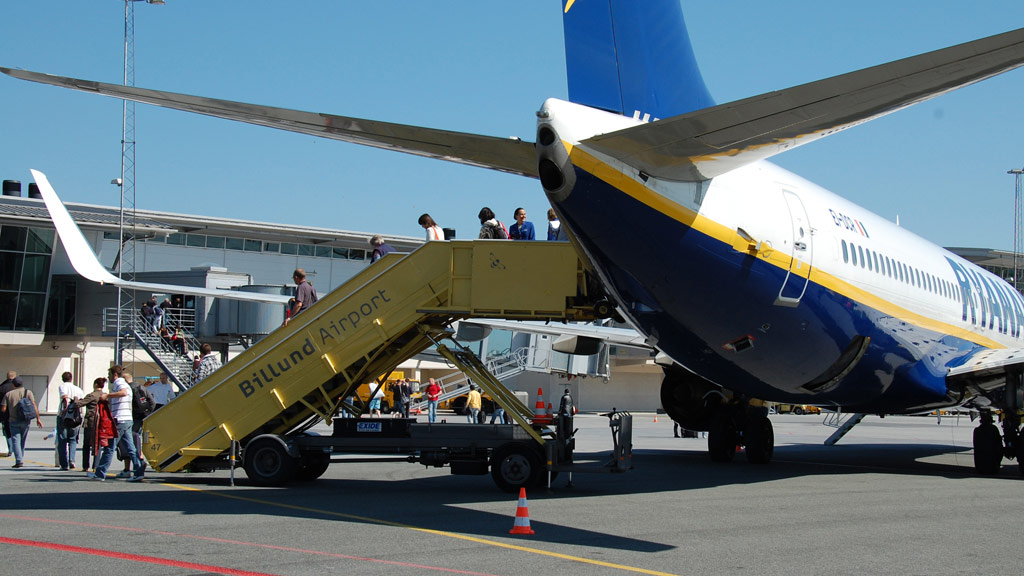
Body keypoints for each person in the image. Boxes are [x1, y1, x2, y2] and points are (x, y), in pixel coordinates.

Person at [90, 365, 144, 481]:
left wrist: (108, 395)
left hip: (119, 420)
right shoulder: (125, 384)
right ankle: (138, 471)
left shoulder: (119, 383)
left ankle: (100, 473)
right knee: (130, 447)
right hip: (127, 419)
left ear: (115, 375)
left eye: (110, 375)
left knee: (109, 447)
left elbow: (123, 393)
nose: (108, 377)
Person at [1, 376, 42, 468]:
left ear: (13, 384)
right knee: (22, 441)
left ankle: (19, 460)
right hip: (25, 419)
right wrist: (38, 419)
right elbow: (34, 405)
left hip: (13, 420)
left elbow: (3, 409)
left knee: (15, 440)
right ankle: (20, 458)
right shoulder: (28, 392)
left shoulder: (9, 394)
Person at [121, 372, 154, 478]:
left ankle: (130, 467)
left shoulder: (126, 389)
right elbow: (152, 402)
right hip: (141, 418)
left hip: (130, 418)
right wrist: (147, 414)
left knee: (128, 443)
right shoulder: (141, 387)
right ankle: (139, 460)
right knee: (137, 441)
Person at [75, 377, 106, 471]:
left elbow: (79, 404)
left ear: (96, 385)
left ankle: (85, 466)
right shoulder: (105, 395)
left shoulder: (92, 395)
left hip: (91, 421)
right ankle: (96, 465)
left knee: (87, 444)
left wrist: (76, 399)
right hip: (101, 422)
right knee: (98, 444)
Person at [56, 371, 85, 471]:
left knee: (62, 439)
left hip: (64, 416)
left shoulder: (62, 386)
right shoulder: (78, 389)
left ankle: (64, 464)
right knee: (73, 439)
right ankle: (72, 460)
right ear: (71, 378)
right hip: (76, 416)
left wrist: (64, 410)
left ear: (63, 378)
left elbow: (64, 397)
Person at [0, 370, 16, 457]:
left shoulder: (2, 387)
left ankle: (10, 449)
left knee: (7, 431)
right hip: (16, 413)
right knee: (16, 432)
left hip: (5, 413)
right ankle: (17, 449)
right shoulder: (18, 388)